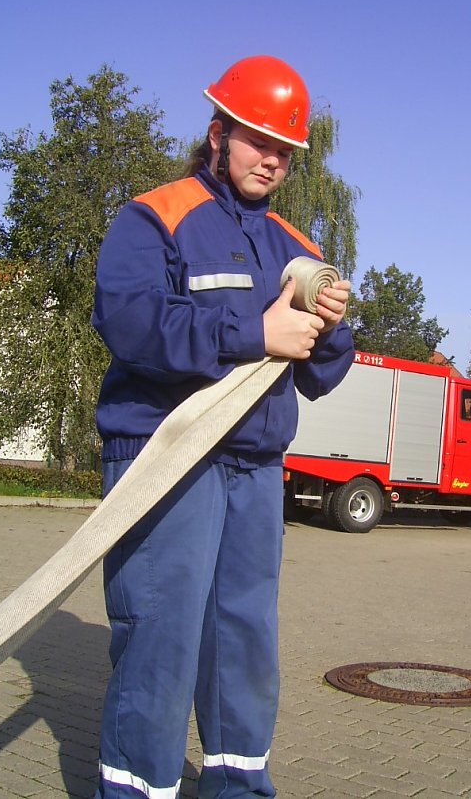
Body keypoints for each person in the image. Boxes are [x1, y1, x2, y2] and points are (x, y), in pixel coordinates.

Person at [91, 55, 354, 799]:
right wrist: (253, 331)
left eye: (283, 150)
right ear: (218, 135)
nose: (270, 159)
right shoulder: (156, 215)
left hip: (254, 469)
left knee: (242, 640)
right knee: (161, 637)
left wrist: (328, 330)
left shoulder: (296, 248)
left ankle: (238, 788)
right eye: (256, 140)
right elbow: (131, 323)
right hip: (168, 457)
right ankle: (136, 790)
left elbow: (322, 373)